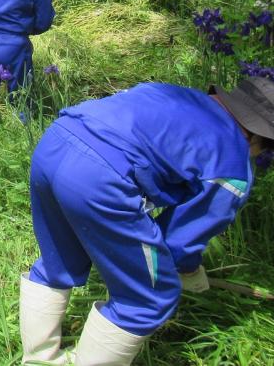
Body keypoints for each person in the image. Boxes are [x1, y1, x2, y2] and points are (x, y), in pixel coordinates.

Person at [20, 78, 274, 366]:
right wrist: (189, 274)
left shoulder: (171, 92)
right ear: (256, 137)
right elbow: (180, 240)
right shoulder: (233, 162)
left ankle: (39, 359)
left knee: (59, 261)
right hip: (100, 179)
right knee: (147, 298)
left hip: (56, 141)